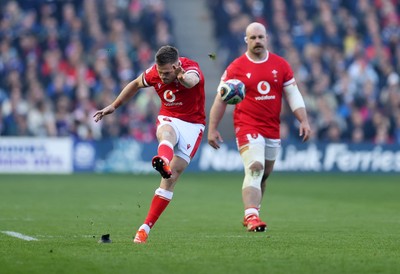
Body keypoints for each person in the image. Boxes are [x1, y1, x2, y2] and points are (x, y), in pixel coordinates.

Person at [93, 45, 206, 243]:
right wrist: (113, 106)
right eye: (160, 72)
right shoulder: (155, 73)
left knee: (172, 179)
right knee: (166, 133)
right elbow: (135, 84)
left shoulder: (190, 68)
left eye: (166, 73)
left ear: (177, 65)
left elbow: (191, 81)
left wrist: (180, 76)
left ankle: (144, 229)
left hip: (193, 125)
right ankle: (162, 159)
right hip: (169, 117)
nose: (162, 77)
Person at [207, 22, 311, 232]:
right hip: (247, 125)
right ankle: (252, 216)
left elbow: (292, 93)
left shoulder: (280, 65)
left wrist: (304, 120)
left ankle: (254, 210)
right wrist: (212, 127)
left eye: (260, 37)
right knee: (255, 166)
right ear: (246, 40)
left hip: (271, 128)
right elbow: (221, 99)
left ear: (266, 38)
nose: (257, 41)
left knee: (263, 175)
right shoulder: (236, 68)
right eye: (252, 38)